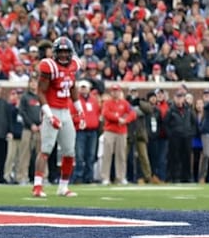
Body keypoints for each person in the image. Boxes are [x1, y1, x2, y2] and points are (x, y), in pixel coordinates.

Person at [32, 36, 86, 198]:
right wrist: (49, 116)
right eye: (60, 52)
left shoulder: (73, 66)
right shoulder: (49, 67)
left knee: (69, 151)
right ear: (55, 53)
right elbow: (40, 92)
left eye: (66, 52)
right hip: (52, 109)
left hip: (65, 111)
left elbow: (73, 88)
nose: (63, 55)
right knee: (46, 149)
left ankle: (63, 187)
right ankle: (37, 186)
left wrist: (79, 110)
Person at [99, 85, 136, 185]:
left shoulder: (124, 103)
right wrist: (118, 119)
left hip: (121, 131)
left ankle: (121, 177)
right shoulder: (107, 103)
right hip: (110, 131)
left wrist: (125, 120)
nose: (115, 93)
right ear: (111, 92)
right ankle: (105, 177)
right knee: (107, 154)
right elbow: (106, 113)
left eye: (117, 91)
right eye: (113, 91)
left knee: (121, 155)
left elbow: (133, 113)